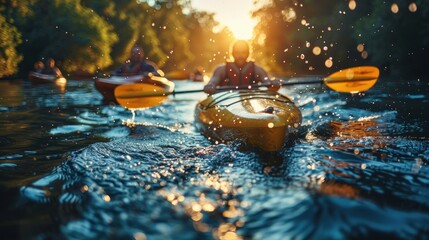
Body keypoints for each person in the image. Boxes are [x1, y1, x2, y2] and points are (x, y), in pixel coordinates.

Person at [203, 40, 280, 94]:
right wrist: (210, 85)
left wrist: (273, 84)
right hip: (227, 102)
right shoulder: (221, 70)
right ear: (232, 53)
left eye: (243, 52)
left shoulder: (258, 70)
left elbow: (268, 83)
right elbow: (213, 81)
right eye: (237, 52)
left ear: (248, 53)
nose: (240, 56)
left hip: (251, 101)